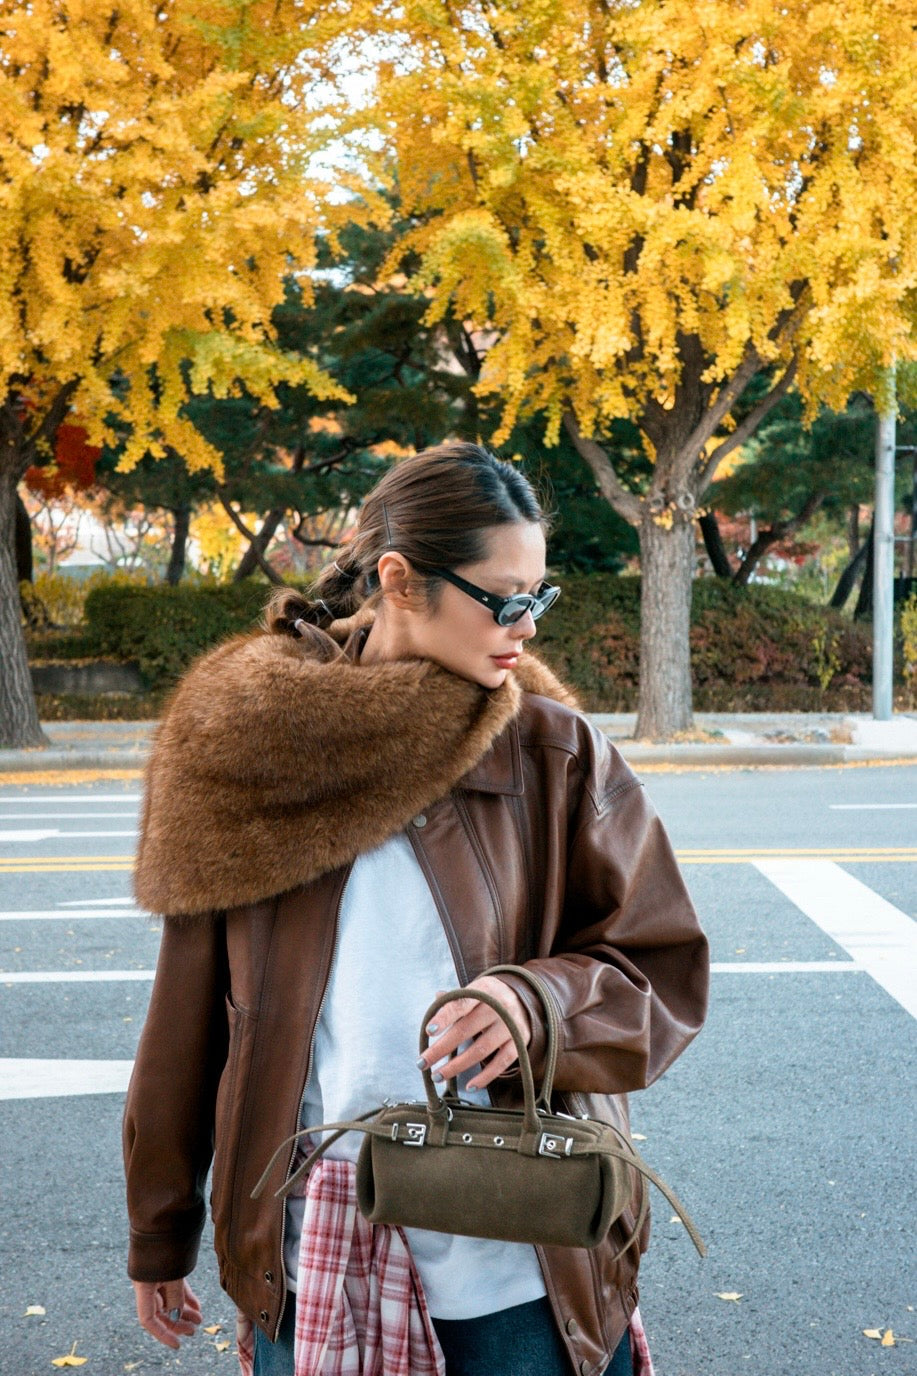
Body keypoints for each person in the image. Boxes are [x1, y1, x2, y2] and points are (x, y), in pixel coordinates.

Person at [123, 441, 709, 1376]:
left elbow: (660, 967)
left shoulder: (551, 749)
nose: (526, 627)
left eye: (539, 597)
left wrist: (535, 1004)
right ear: (399, 580)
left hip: (517, 1254)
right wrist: (160, 1230)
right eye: (504, 600)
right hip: (308, 1247)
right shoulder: (241, 749)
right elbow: (188, 1019)